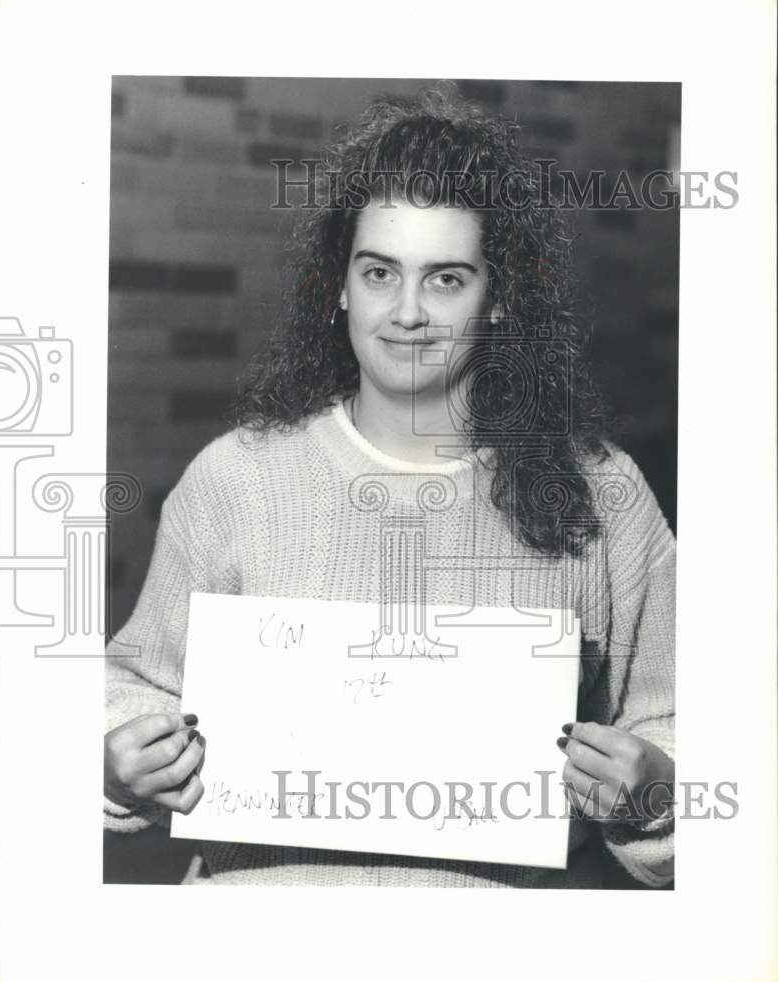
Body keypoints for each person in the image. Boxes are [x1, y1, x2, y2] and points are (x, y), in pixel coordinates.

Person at [104, 85, 676, 888]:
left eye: (445, 279)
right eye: (379, 272)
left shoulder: (602, 496)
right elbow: (132, 685)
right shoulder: (235, 478)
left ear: (501, 297)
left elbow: (686, 736)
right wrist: (121, 759)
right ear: (339, 285)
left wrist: (653, 789)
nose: (406, 312)